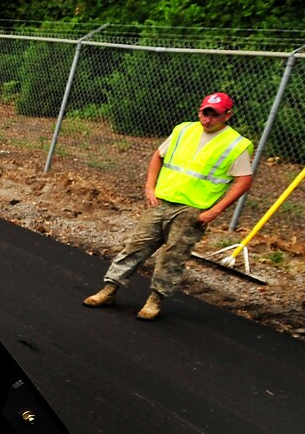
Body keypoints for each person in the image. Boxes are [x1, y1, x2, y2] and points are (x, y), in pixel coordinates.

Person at [85, 91, 257, 321]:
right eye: (205, 113)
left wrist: (214, 211)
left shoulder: (237, 144)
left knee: (173, 256)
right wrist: (150, 187)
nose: (208, 119)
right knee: (135, 247)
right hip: (161, 202)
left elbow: (244, 181)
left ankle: (155, 300)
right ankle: (109, 289)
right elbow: (158, 156)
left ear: (227, 115)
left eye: (214, 115)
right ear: (200, 111)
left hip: (192, 210)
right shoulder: (184, 130)